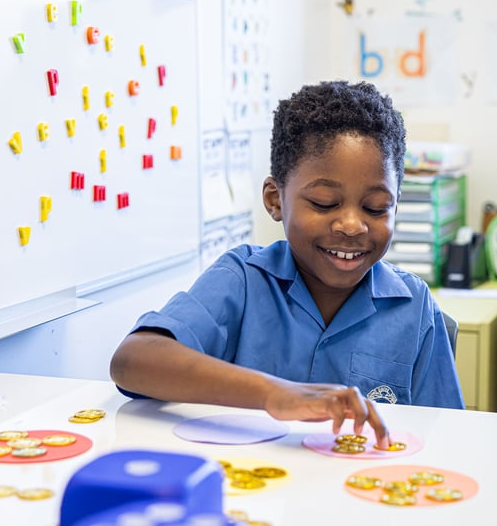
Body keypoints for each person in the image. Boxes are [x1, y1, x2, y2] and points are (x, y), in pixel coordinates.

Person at [110, 80, 465, 448]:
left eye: (376, 208)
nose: (352, 225)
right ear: (275, 199)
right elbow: (132, 361)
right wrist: (273, 394)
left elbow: (448, 438)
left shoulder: (414, 307)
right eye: (325, 202)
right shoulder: (243, 279)